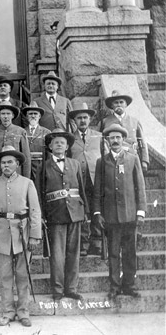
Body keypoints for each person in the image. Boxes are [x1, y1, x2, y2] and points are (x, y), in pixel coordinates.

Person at [0, 146, 41, 328]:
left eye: (10, 162)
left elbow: (34, 211)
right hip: (1, 236)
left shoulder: (27, 183)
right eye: (3, 162)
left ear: (17, 164)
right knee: (5, 276)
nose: (6, 165)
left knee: (22, 275)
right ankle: (8, 312)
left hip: (23, 235)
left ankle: (23, 312)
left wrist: (34, 236)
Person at [92, 124, 147, 299]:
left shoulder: (132, 159)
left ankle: (129, 285)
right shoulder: (102, 162)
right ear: (107, 141)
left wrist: (141, 212)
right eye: (111, 138)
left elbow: (140, 187)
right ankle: (114, 286)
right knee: (113, 253)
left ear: (123, 139)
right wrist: (97, 213)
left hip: (130, 215)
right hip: (111, 217)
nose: (115, 141)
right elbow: (98, 191)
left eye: (118, 138)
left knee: (130, 253)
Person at [35, 129, 88, 302]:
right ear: (50, 146)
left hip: (75, 212)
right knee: (57, 254)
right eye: (56, 142)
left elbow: (81, 187)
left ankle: (71, 288)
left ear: (67, 147)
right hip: (54, 214)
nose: (59, 144)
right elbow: (39, 193)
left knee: (73, 253)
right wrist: (41, 215)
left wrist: (84, 211)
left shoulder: (75, 164)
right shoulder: (43, 167)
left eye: (62, 142)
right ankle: (57, 289)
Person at [69, 102, 103, 256]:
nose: (82, 120)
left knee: (97, 209)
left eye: (85, 117)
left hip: (96, 179)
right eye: (79, 118)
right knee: (81, 211)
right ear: (74, 121)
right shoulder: (69, 139)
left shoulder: (99, 136)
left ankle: (97, 242)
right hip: (78, 180)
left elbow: (106, 156)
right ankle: (83, 243)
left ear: (90, 120)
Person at [101, 90, 149, 172]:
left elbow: (142, 141)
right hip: (112, 160)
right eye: (116, 102)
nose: (119, 105)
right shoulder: (105, 122)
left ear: (126, 104)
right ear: (112, 105)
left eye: (121, 102)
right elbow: (101, 142)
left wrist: (144, 160)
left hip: (132, 158)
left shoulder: (134, 121)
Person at [0, 103, 31, 181]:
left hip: (15, 173)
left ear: (13, 115)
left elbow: (26, 157)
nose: (5, 116)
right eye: (3, 114)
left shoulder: (20, 132)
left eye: (8, 113)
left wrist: (26, 179)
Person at [22, 102, 51, 181]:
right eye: (30, 114)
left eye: (35, 113)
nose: (33, 116)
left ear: (39, 116)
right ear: (26, 116)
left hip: (40, 166)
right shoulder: (22, 132)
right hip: (25, 167)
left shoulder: (46, 132)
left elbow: (49, 154)